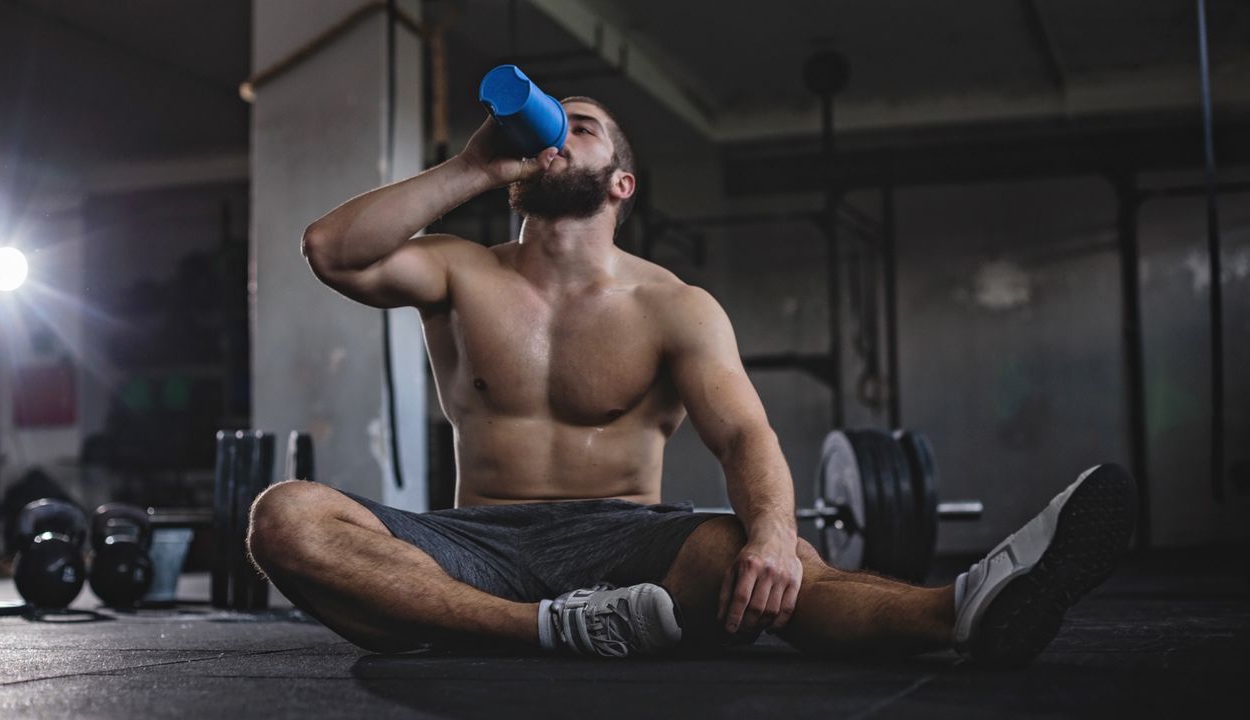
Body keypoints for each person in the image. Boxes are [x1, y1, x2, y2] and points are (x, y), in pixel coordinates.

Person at [246, 97, 1137, 665]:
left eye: (579, 124)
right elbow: (328, 251)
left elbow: (745, 436)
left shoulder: (676, 307)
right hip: (475, 542)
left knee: (760, 565)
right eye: (548, 120)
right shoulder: (457, 271)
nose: (556, 128)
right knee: (284, 516)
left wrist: (776, 537)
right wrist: (477, 165)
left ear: (621, 181)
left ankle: (968, 606)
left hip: (630, 542)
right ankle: (545, 633)